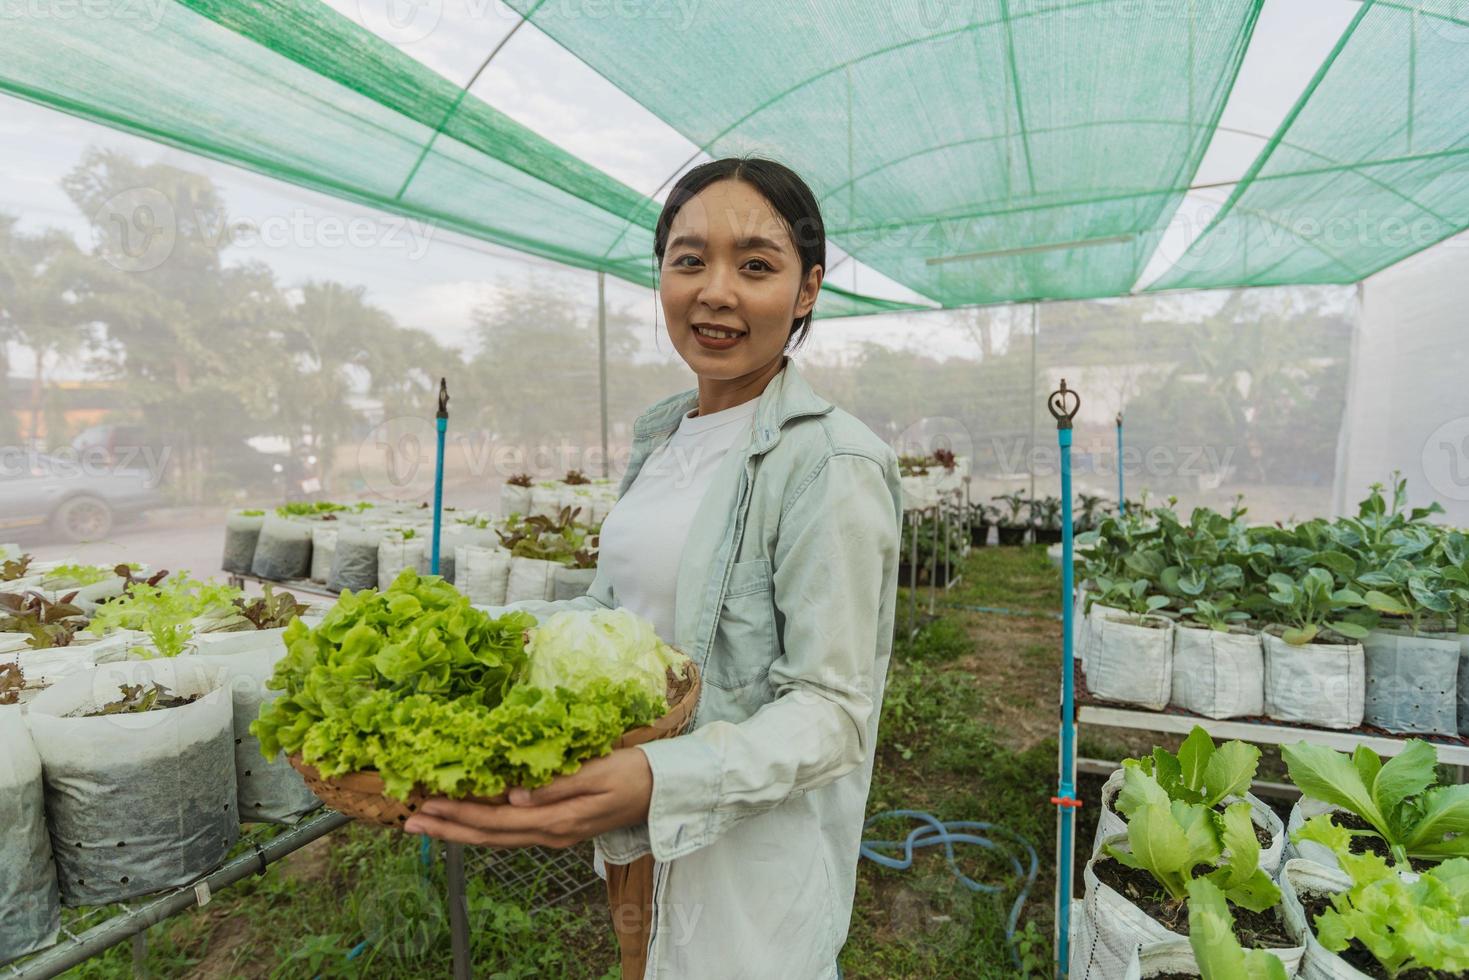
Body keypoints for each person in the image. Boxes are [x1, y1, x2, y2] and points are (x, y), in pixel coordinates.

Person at [403, 157, 902, 980]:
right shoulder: (666, 435)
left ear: (806, 289)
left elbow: (833, 710)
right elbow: (611, 612)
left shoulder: (830, 461)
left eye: (755, 265)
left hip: (743, 851)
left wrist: (657, 777)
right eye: (688, 259)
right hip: (635, 819)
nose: (716, 291)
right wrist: (461, 635)